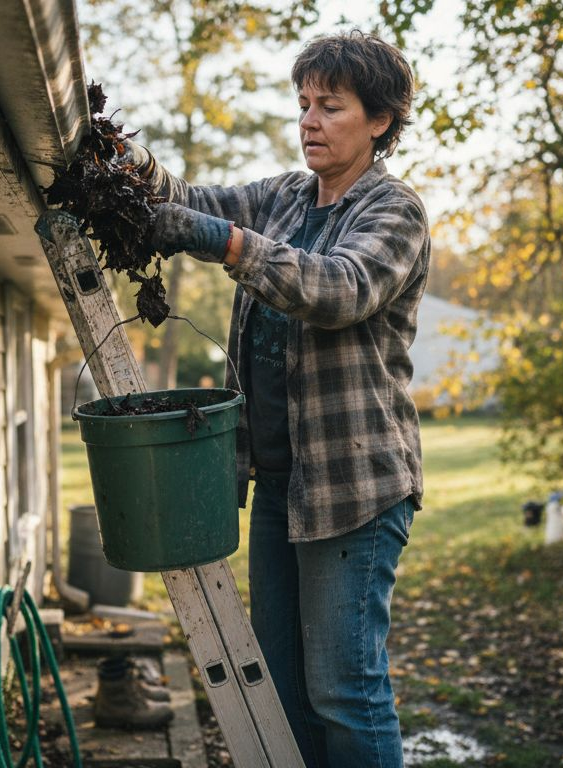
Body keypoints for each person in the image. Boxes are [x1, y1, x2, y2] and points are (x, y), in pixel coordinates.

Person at [131, 30, 428, 768]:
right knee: (284, 694)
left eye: (331, 106)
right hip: (278, 486)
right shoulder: (284, 197)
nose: (310, 122)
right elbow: (188, 199)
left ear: (380, 119)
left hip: (354, 488)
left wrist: (228, 244)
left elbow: (339, 289)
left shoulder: (395, 211)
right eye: (303, 105)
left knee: (345, 693)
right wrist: (126, 160)